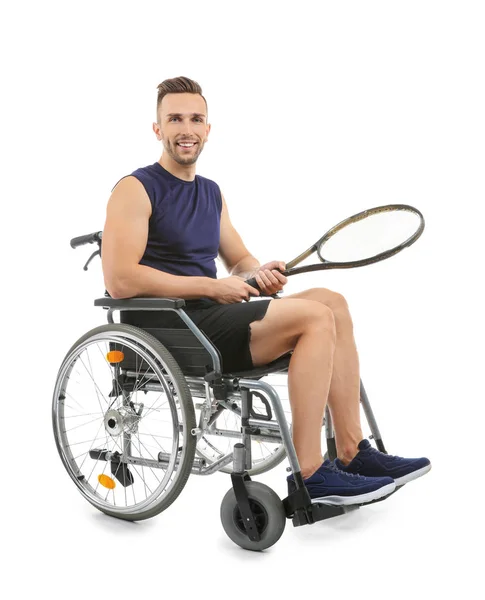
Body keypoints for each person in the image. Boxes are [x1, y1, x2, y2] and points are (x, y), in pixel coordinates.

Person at [101, 76, 431, 507]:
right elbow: (121, 279)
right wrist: (212, 287)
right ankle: (311, 474)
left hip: (212, 316)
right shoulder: (135, 188)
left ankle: (352, 452)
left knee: (332, 302)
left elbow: (238, 260)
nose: (187, 128)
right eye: (175, 119)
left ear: (208, 129)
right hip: (172, 327)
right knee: (315, 317)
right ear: (157, 128)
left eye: (196, 119)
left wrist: (259, 273)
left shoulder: (210, 193)